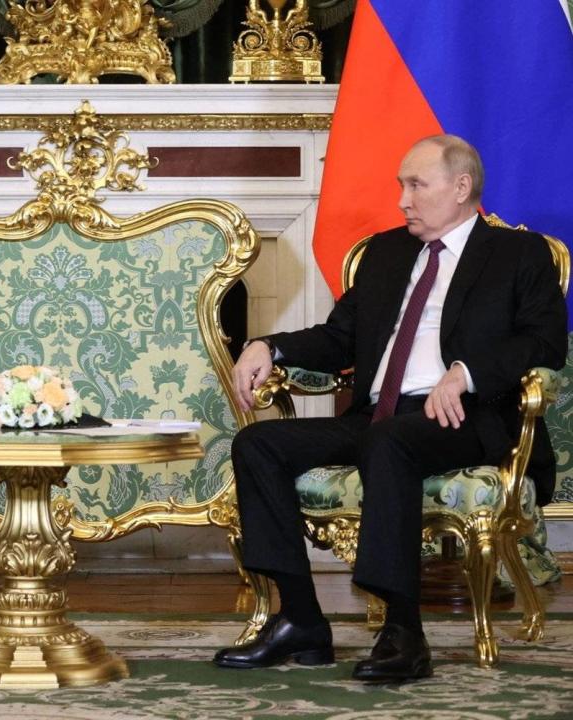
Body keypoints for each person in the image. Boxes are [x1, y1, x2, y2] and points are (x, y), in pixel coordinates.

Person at [214, 135, 567, 681]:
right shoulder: (385, 252)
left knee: (392, 440)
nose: (402, 199)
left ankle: (404, 631)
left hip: (464, 419)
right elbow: (338, 337)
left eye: (415, 185)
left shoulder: (518, 255)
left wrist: (467, 372)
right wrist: (269, 345)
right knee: (258, 444)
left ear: (461, 187)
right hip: (378, 418)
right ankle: (301, 620)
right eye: (402, 185)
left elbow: (545, 343)